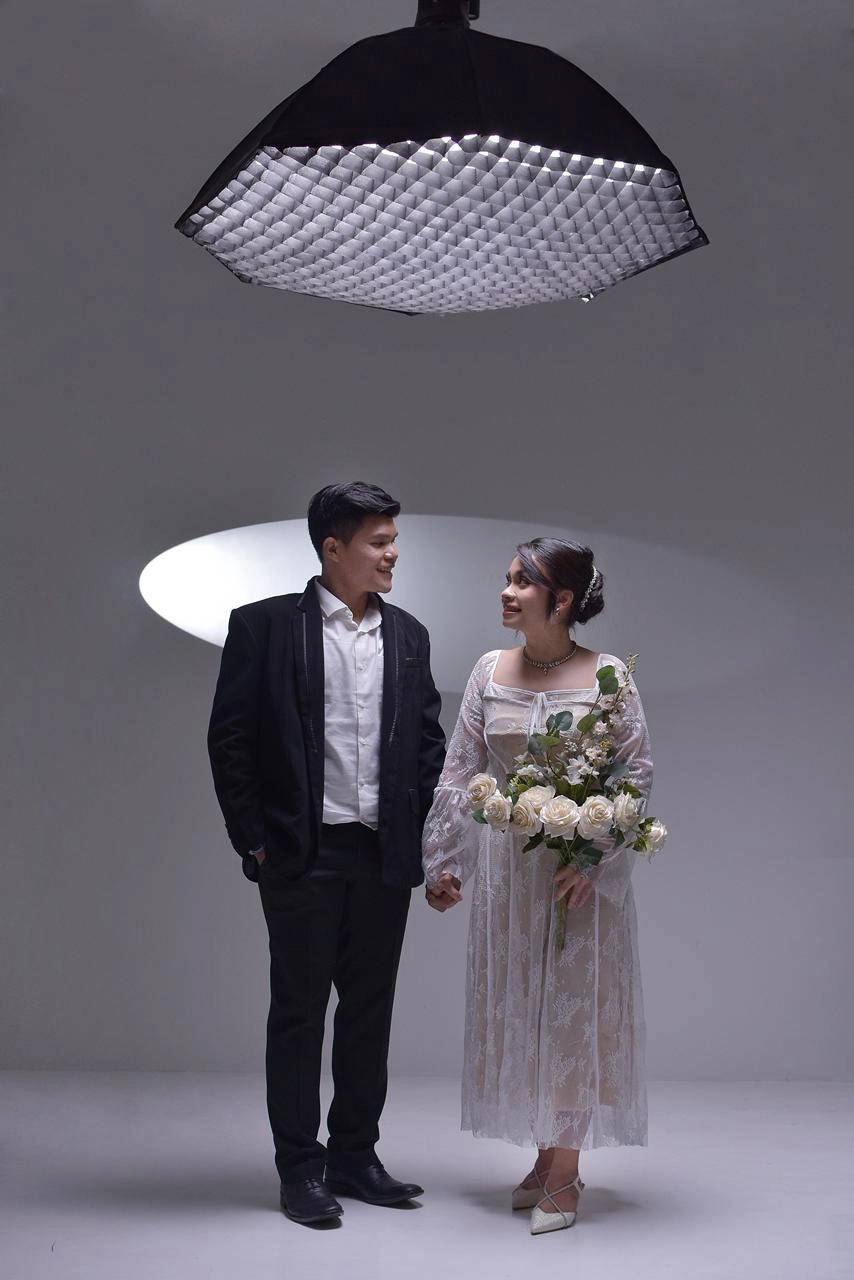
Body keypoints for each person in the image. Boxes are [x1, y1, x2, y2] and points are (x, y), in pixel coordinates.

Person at [208, 482, 445, 1226]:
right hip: (300, 853)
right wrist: (255, 840)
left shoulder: (408, 634)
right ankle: (299, 1170)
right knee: (300, 1013)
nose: (392, 553)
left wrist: (423, 835)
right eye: (379, 541)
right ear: (333, 548)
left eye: (394, 540)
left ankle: (355, 1158)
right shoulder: (263, 626)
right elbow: (231, 740)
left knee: (370, 1012)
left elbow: (428, 744)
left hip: (382, 854)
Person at [422, 538, 653, 1236]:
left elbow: (635, 775)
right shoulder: (488, 671)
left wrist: (595, 860)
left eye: (522, 581)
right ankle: (547, 1153)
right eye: (507, 578)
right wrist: (444, 861)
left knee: (573, 1011)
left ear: (563, 599)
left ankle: (566, 1169)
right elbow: (460, 772)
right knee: (525, 1008)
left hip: (575, 877)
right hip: (509, 875)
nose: (507, 591)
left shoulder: (610, 676)